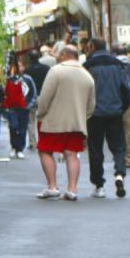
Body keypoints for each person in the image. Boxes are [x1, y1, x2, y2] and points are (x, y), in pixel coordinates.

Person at [34, 46, 96, 201]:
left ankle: (52, 186)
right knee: (72, 154)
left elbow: (45, 97)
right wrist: (83, 117)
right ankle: (72, 189)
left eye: (59, 54)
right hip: (76, 123)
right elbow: (91, 105)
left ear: (64, 55)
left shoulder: (56, 71)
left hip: (53, 121)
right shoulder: (87, 76)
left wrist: (40, 113)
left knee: (45, 150)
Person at [83, 38, 130, 198]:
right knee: (118, 146)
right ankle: (119, 173)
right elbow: (126, 89)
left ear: (92, 47)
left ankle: (99, 185)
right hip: (115, 113)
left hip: (94, 114)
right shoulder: (118, 65)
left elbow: (84, 91)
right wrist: (122, 107)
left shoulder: (88, 67)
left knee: (96, 149)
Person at [2, 55, 37, 159]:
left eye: (20, 66)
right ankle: (13, 147)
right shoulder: (8, 80)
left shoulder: (28, 79)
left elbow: (33, 93)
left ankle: (20, 148)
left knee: (22, 128)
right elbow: (5, 94)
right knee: (13, 127)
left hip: (24, 108)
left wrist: (29, 105)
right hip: (12, 108)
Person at [24, 50, 50, 152]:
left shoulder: (27, 70)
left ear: (29, 58)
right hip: (44, 96)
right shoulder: (46, 68)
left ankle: (32, 143)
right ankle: (45, 141)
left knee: (31, 121)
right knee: (44, 120)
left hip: (31, 98)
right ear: (39, 57)